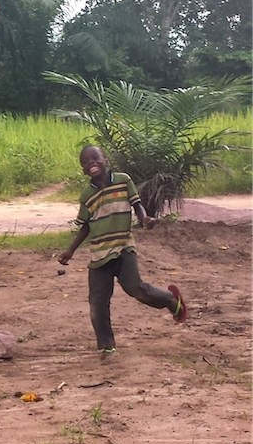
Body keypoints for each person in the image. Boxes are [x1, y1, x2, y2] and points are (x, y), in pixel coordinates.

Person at [58, 145, 187, 355]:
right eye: (86, 162)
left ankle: (170, 300)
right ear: (83, 169)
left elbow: (136, 204)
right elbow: (86, 226)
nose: (91, 163)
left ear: (105, 160)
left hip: (123, 247)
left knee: (135, 288)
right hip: (100, 255)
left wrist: (144, 218)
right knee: (97, 303)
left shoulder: (123, 180)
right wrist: (70, 251)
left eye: (95, 158)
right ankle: (106, 346)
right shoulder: (87, 195)